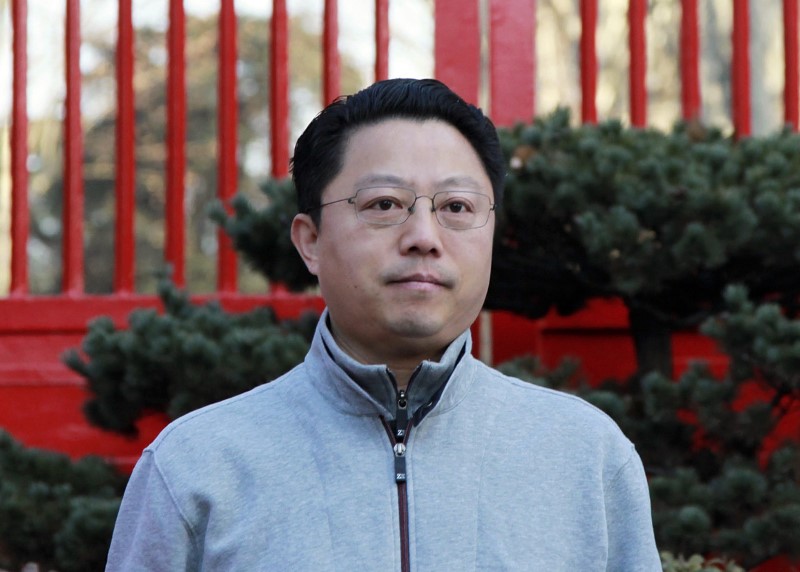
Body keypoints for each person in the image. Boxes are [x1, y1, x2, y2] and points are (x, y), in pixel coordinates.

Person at [106, 78, 660, 571]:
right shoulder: (196, 467)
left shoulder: (586, 456)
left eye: (458, 207)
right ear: (311, 241)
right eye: (385, 203)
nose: (424, 235)